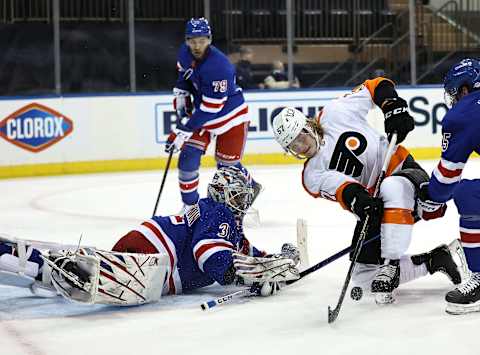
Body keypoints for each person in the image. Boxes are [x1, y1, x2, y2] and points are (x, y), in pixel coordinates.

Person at [271, 77, 462, 304]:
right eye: (294, 146)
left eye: (300, 137)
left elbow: (376, 86)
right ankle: (435, 260)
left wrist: (392, 106)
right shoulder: (311, 175)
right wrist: (359, 202)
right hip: (378, 204)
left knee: (392, 187)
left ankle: (390, 265)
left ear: (307, 125)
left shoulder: (335, 112)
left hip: (405, 174)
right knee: (363, 277)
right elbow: (346, 190)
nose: (301, 146)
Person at [0, 167, 299, 305]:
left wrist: (278, 263)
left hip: (150, 243)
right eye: (243, 196)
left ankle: (25, 254)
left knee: (92, 268)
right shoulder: (219, 214)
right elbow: (208, 253)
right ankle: (23, 261)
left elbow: (246, 254)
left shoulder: (220, 219)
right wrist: (241, 276)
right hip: (157, 255)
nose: (247, 202)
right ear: (230, 195)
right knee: (89, 276)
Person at [167, 18, 261, 212]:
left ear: (209, 40)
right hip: (203, 116)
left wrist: (184, 130)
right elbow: (183, 76)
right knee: (187, 158)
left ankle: (250, 186)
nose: (196, 45)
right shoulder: (184, 53)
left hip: (230, 117)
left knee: (227, 170)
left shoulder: (220, 67)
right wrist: (181, 93)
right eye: (192, 40)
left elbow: (212, 108)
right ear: (186, 41)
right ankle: (190, 207)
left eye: (201, 40)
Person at [417, 58, 480, 315]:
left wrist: (429, 197)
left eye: (454, 92)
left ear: (464, 89)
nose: (454, 98)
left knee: (468, 194)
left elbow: (446, 179)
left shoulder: (462, 114)